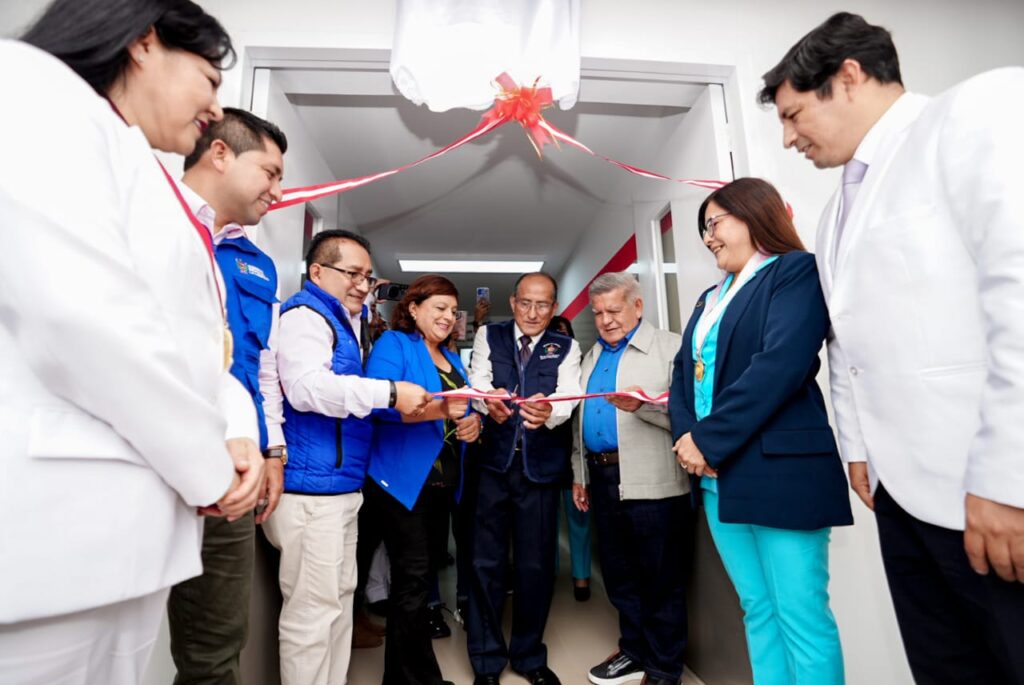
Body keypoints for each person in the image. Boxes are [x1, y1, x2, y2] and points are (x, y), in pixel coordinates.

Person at [0, 1, 264, 682]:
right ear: (145, 43)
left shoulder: (135, 162)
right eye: (209, 79)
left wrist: (234, 431)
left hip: (122, 537)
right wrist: (208, 466)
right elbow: (83, 318)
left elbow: (201, 349)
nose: (215, 108)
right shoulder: (32, 88)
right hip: (56, 534)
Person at [760, 13, 1024, 683]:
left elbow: (1016, 295)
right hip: (900, 495)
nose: (788, 138)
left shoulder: (971, 115)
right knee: (947, 666)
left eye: (793, 115)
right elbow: (848, 341)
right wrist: (857, 447)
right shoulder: (834, 212)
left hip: (987, 488)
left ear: (848, 76)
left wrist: (1010, 479)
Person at [668, 178, 852, 684]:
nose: (708, 238)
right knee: (757, 609)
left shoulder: (794, 272)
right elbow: (682, 374)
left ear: (754, 214)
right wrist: (687, 440)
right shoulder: (709, 298)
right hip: (716, 478)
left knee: (801, 617)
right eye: (704, 229)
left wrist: (706, 440)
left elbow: (780, 365)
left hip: (780, 473)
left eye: (714, 223)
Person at [262, 229, 432, 685]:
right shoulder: (305, 316)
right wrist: (389, 393)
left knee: (337, 604)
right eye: (352, 274)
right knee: (311, 617)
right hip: (310, 493)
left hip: (338, 489)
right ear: (318, 272)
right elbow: (305, 388)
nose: (362, 284)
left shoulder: (344, 322)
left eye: (367, 276)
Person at [168, 107, 288, 684]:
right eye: (270, 172)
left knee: (217, 638)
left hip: (233, 465)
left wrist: (271, 450)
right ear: (221, 154)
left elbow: (259, 368)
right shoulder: (154, 220)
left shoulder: (257, 264)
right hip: (149, 453)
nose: (278, 191)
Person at [363, 274, 483, 685]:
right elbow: (379, 403)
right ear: (413, 309)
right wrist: (443, 411)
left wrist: (475, 424)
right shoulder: (395, 345)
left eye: (453, 310)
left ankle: (403, 678)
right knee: (413, 582)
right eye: (439, 308)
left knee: (418, 580)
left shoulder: (452, 358)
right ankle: (418, 680)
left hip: (442, 485)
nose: (448, 316)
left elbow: (467, 409)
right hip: (402, 484)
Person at [466, 272, 583, 685]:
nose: (533, 313)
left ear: (554, 308)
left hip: (540, 471)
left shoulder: (566, 346)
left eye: (543, 305)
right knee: (486, 564)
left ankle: (529, 657)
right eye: (526, 303)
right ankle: (486, 662)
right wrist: (487, 402)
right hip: (493, 467)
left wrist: (550, 410)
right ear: (513, 302)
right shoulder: (490, 335)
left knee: (536, 566)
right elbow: (477, 381)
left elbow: (569, 395)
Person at [571, 273, 688, 685]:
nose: (606, 320)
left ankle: (663, 668)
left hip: (654, 481)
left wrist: (643, 407)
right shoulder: (591, 357)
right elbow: (579, 419)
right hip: (602, 477)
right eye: (598, 313)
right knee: (620, 575)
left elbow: (693, 419)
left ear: (638, 306)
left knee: (661, 579)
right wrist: (580, 474)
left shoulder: (671, 348)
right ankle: (634, 652)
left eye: (614, 310)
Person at [548, 315, 593, 602]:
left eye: (563, 334)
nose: (558, 342)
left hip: (576, 455)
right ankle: (548, 575)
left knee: (580, 518)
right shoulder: (539, 371)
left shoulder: (582, 370)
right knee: (546, 522)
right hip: (546, 457)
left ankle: (581, 576)